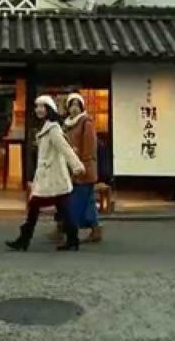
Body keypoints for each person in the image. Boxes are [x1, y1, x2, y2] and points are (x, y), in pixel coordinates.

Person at [5, 95, 85, 252]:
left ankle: (24, 239)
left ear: (49, 110)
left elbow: (66, 150)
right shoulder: (46, 127)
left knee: (36, 207)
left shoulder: (53, 130)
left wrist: (77, 166)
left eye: (42, 107)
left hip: (52, 178)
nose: (38, 110)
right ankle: (72, 239)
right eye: (37, 107)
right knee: (60, 209)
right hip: (51, 179)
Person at [64, 93, 102, 243]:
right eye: (71, 105)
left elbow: (89, 147)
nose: (74, 109)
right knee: (87, 200)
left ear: (81, 107)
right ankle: (95, 228)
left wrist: (82, 165)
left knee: (78, 200)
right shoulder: (67, 124)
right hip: (72, 167)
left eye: (77, 105)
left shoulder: (86, 123)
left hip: (83, 168)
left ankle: (71, 229)